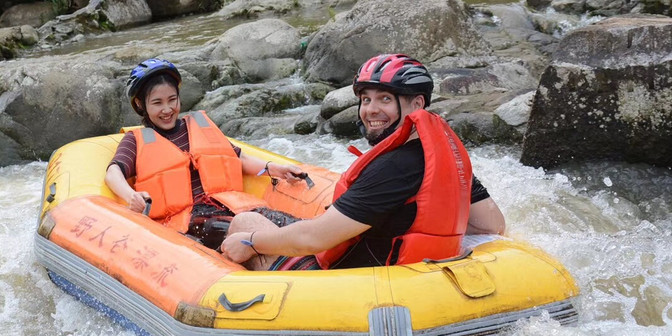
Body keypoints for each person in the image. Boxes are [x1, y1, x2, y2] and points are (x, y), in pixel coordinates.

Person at [219, 53, 506, 270]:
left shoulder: (394, 167)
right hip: (400, 267)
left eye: (384, 99)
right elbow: (492, 224)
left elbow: (314, 240)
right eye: (366, 100)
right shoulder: (442, 158)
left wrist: (251, 242)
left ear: (417, 105)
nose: (371, 110)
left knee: (245, 223)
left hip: (349, 283)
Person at [105, 58, 307, 247]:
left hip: (233, 204)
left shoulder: (199, 125)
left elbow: (238, 158)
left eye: (172, 100)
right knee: (244, 228)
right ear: (140, 105)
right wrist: (131, 195)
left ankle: (319, 246)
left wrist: (277, 170)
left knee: (278, 220)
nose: (167, 109)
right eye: (157, 103)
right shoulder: (135, 140)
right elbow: (113, 173)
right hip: (193, 222)